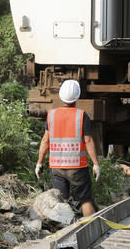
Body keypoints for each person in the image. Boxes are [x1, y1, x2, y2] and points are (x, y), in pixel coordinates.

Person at [34, 80, 101, 217]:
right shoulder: (82, 116)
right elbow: (88, 141)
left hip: (56, 167)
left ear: (61, 95)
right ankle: (90, 228)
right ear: (77, 96)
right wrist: (95, 164)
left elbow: (45, 140)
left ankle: (65, 230)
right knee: (85, 200)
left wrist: (39, 162)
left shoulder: (51, 115)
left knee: (62, 200)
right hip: (77, 167)